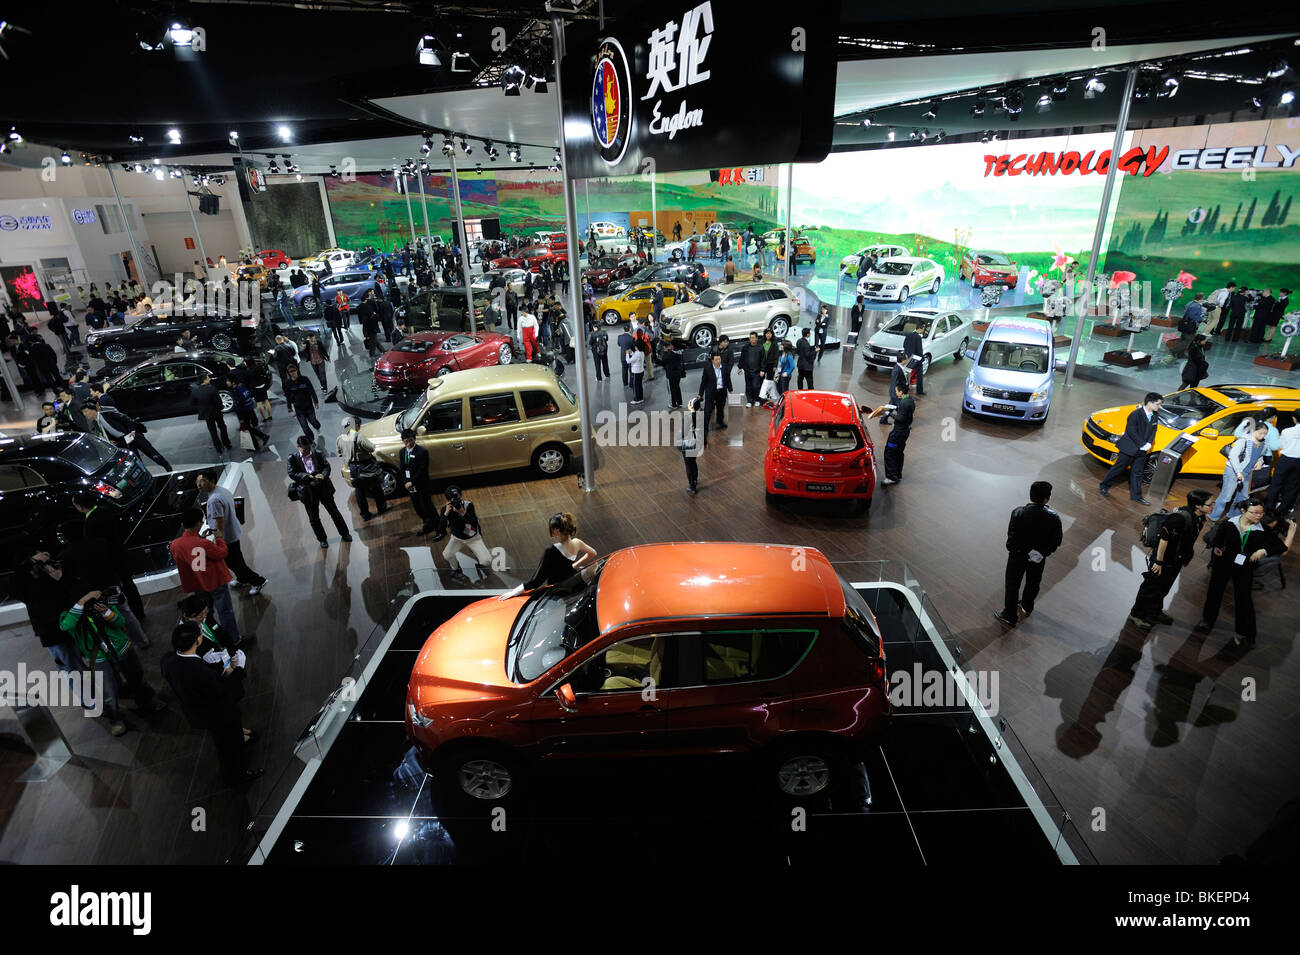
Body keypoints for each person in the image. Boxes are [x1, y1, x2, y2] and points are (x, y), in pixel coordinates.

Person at [161, 621, 262, 785]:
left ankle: (231, 771)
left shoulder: (168, 660)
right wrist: (240, 668)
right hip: (219, 714)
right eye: (200, 633)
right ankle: (238, 777)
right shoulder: (199, 671)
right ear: (197, 641)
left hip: (197, 713)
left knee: (222, 743)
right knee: (231, 747)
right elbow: (222, 689)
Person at [60, 588, 165, 736]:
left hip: (122, 648)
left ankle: (148, 704)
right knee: (108, 690)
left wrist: (106, 613)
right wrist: (82, 603)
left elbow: (120, 621)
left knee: (137, 678)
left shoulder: (103, 603)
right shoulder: (71, 614)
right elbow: (66, 625)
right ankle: (116, 720)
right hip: (98, 657)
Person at [1197, 501, 1293, 646]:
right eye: (1254, 512)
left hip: (1245, 568)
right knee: (1214, 592)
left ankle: (1246, 633)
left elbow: (1281, 547)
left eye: (1261, 513)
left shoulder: (1263, 530)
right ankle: (1207, 620)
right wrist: (1217, 547)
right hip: (1223, 564)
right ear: (1243, 510)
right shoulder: (1229, 523)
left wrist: (1263, 551)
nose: (1258, 516)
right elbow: (1217, 539)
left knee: (1244, 599)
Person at [1127, 489, 1213, 630]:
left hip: (1175, 560)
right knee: (1150, 588)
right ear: (1198, 505)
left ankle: (1154, 611)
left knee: (1164, 587)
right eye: (1210, 504)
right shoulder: (1180, 518)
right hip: (1164, 559)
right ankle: (1136, 614)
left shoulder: (1199, 518)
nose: (1213, 507)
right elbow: (1164, 538)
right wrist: (1158, 561)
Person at [169, 504, 248, 647]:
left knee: (206, 614)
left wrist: (201, 538)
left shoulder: (174, 545)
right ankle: (234, 640)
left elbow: (191, 559)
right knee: (225, 612)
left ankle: (214, 639)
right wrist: (219, 538)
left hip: (198, 584)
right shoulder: (203, 544)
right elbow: (222, 553)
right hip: (215, 582)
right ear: (199, 523)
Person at [992, 481, 1064, 627]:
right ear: (1047, 499)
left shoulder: (1018, 512)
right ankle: (1026, 605)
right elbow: (1056, 541)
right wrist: (1041, 553)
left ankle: (1010, 615)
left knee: (1012, 585)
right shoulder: (1054, 517)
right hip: (1038, 558)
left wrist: (1024, 551)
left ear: (1030, 494)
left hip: (1017, 556)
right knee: (1033, 582)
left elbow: (1011, 540)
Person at [11, 548, 82, 675]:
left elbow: (67, 588)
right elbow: (16, 588)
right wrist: (32, 563)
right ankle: (90, 694)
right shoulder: (23, 579)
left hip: (67, 622)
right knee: (71, 667)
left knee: (75, 663)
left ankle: (94, 692)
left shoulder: (48, 573)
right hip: (51, 630)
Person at [195, 469, 266, 596]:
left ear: (211, 481)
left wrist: (219, 539)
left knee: (234, 563)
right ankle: (243, 579)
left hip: (227, 537)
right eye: (197, 482)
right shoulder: (221, 490)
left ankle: (258, 581)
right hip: (233, 532)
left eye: (202, 481)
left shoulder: (214, 499)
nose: (198, 485)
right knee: (236, 561)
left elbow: (219, 521)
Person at [504, 512, 598, 596]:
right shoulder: (577, 542)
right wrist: (575, 565)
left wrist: (514, 592)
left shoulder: (551, 550)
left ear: (556, 530)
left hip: (556, 591)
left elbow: (536, 581)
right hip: (572, 584)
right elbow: (593, 553)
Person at [287, 434, 353, 549]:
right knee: (314, 518)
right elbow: (292, 473)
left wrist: (323, 475)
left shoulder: (317, 454)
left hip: (322, 487)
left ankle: (345, 533)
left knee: (335, 513)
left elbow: (327, 466)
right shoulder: (292, 458)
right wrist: (307, 476)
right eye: (305, 449)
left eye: (309, 448)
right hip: (307, 490)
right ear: (298, 447)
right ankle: (322, 539)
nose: (308, 451)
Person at [1098, 392, 1163, 504]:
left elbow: (1153, 430)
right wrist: (1143, 443)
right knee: (1118, 468)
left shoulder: (1155, 415)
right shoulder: (1135, 414)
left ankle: (1137, 496)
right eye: (1158, 404)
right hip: (1130, 448)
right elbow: (1131, 432)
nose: (1159, 406)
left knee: (1137, 473)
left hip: (1142, 450)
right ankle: (1104, 485)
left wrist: (1149, 443)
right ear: (1150, 403)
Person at [81, 399, 171, 470]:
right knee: (136, 460)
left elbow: (126, 419)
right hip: (124, 441)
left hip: (133, 436)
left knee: (150, 452)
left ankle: (167, 467)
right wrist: (112, 441)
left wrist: (132, 430)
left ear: (93, 410)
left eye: (86, 411)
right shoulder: (95, 423)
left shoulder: (107, 414)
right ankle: (146, 475)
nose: (85, 414)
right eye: (83, 413)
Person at [1210, 422, 1271, 520]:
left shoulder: (1264, 443)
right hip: (1233, 471)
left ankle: (1233, 516)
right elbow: (1233, 456)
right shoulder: (1243, 441)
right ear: (1254, 431)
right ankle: (1214, 516)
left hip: (1248, 473)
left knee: (1243, 497)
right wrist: (1238, 472)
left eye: (1265, 434)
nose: (1262, 436)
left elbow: (1260, 456)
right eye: (1260, 433)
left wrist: (1260, 462)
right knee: (1226, 496)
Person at [430, 486, 493, 576]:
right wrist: (446, 514)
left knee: (487, 561)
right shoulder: (446, 509)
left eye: (458, 499)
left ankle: (479, 559)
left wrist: (463, 512)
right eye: (453, 500)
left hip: (473, 538)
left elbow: (474, 523)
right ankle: (456, 568)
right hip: (457, 538)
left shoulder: (468, 505)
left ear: (461, 496)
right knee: (447, 554)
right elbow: (441, 529)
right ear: (448, 501)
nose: (457, 502)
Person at [338, 417, 387, 521]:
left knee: (359, 491)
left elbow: (339, 452)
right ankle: (381, 508)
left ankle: (365, 515)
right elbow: (371, 448)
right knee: (376, 488)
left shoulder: (340, 438)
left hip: (353, 468)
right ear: (355, 426)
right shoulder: (359, 437)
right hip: (366, 466)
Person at [398, 428, 437, 534]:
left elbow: (422, 470)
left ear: (414, 439)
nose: (409, 443)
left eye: (410, 440)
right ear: (403, 441)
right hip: (410, 486)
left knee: (427, 505)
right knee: (417, 506)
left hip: (421, 484)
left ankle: (438, 526)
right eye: (406, 441)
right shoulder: (402, 452)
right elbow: (402, 469)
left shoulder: (422, 452)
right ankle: (427, 525)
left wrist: (412, 482)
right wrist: (406, 482)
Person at [1266, 412, 1300, 515]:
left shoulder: (1287, 431)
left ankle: (1269, 508)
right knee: (1293, 486)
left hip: (1285, 460)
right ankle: (1282, 510)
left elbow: (1280, 445)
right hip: (1299, 462)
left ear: (1294, 418)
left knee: (1276, 484)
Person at [191, 372, 233, 455]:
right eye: (208, 377)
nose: (209, 379)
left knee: (212, 431)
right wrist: (220, 407)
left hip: (206, 414)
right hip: (216, 412)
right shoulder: (212, 388)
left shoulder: (195, 391)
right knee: (222, 427)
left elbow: (192, 403)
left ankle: (218, 448)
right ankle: (226, 443)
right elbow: (218, 401)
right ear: (204, 380)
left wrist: (201, 407)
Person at [225, 374, 269, 451]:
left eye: (228, 381)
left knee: (247, 428)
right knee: (248, 428)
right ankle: (256, 444)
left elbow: (239, 405)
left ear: (233, 382)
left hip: (243, 412)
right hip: (249, 410)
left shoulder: (235, 391)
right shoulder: (242, 388)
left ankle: (261, 437)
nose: (226, 382)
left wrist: (240, 418)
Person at [284, 364, 322, 440]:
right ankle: (311, 439)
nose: (292, 373)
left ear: (296, 370)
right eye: (290, 372)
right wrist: (289, 407)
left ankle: (317, 426)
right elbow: (287, 395)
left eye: (293, 370)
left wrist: (316, 402)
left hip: (308, 405)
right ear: (288, 373)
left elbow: (312, 390)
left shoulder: (305, 379)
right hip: (298, 408)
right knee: (304, 425)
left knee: (313, 421)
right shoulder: (288, 383)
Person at [697, 351, 731, 432]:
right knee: (707, 410)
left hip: (722, 391)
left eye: (719, 359)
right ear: (712, 360)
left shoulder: (725, 367)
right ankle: (705, 427)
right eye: (716, 360)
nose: (718, 361)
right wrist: (700, 394)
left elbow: (728, 379)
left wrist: (731, 390)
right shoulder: (707, 369)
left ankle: (720, 422)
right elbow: (703, 382)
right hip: (711, 392)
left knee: (720, 408)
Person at [679, 395, 703, 492]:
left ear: (691, 406)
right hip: (697, 443)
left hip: (689, 444)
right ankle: (695, 479)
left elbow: (684, 433)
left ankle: (692, 485)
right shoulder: (701, 415)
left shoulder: (688, 417)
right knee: (693, 462)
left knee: (688, 465)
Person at [739, 331, 766, 407]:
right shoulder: (745, 347)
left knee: (756, 386)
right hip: (747, 370)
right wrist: (740, 367)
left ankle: (756, 399)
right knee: (748, 386)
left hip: (757, 371)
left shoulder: (760, 348)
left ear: (756, 338)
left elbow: (763, 359)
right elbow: (742, 358)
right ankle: (750, 401)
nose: (751, 339)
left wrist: (762, 370)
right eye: (750, 338)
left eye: (753, 338)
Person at [661, 338, 685, 408]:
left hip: (670, 375)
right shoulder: (680, 352)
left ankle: (673, 404)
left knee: (671, 390)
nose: (670, 346)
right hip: (678, 374)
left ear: (673, 346)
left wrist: (665, 352)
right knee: (677, 388)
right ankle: (679, 403)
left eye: (671, 345)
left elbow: (663, 361)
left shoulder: (670, 354)